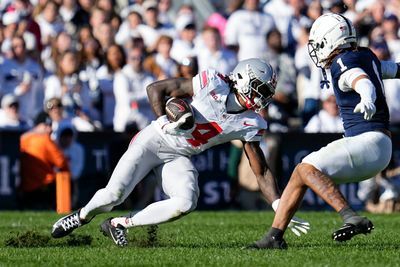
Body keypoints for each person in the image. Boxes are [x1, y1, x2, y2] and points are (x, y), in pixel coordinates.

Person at [51, 58, 309, 246]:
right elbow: (156, 89)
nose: (263, 97)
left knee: (186, 202)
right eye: (260, 88)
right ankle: (82, 216)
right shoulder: (213, 84)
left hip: (178, 155)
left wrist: (278, 204)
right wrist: (164, 117)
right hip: (154, 140)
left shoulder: (252, 123)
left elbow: (260, 169)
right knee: (114, 194)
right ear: (242, 79)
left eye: (267, 92)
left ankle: (119, 224)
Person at [249, 13, 396, 250]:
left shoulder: (343, 62)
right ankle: (274, 236)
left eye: (318, 44)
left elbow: (361, 81)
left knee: (307, 168)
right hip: (380, 147)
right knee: (301, 173)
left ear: (330, 41)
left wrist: (367, 97)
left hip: (366, 141)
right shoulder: (365, 55)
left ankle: (351, 217)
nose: (316, 51)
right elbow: (389, 69)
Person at [18, 111, 70, 210]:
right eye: (46, 125)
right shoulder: (45, 139)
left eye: (50, 125)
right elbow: (62, 162)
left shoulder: (23, 138)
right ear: (38, 125)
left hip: (25, 189)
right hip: (44, 188)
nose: (49, 129)